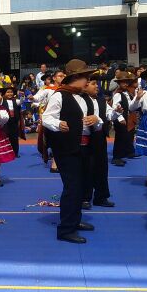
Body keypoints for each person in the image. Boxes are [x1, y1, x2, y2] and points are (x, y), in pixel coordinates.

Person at [43, 59, 101, 244]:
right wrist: (58, 124)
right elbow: (46, 118)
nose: (88, 81)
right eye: (86, 77)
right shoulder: (59, 96)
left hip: (84, 146)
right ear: (76, 77)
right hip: (67, 149)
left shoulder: (84, 97)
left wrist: (96, 119)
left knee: (82, 186)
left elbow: (96, 123)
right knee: (72, 187)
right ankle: (66, 229)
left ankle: (75, 221)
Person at [82, 76, 114, 209]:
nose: (97, 86)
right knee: (86, 167)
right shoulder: (81, 100)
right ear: (85, 85)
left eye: (97, 84)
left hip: (99, 137)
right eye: (94, 84)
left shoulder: (102, 100)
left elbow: (109, 114)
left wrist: (117, 113)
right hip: (86, 138)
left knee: (101, 167)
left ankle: (101, 196)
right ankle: (84, 197)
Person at [110, 70, 136, 166]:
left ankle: (126, 152)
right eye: (123, 82)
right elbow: (115, 107)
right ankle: (116, 157)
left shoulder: (127, 93)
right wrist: (120, 118)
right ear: (119, 83)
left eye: (126, 81)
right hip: (120, 118)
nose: (125, 83)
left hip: (126, 116)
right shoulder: (118, 94)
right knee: (120, 137)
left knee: (127, 136)